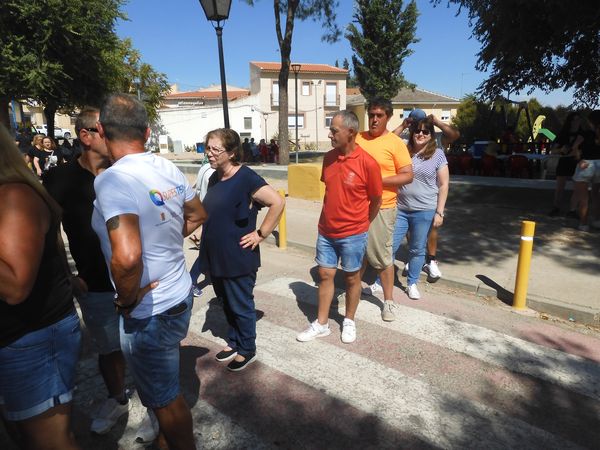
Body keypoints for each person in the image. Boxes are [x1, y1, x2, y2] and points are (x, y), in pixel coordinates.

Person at [92, 94, 207, 450]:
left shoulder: (113, 180)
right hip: (178, 293)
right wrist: (166, 241)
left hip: (148, 310)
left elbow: (127, 258)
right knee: (163, 392)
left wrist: (126, 301)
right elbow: (198, 214)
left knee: (164, 400)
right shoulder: (167, 168)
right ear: (146, 131)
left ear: (101, 130)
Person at [43, 107, 156, 439]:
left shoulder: (127, 172)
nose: (114, 135)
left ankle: (156, 407)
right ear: (87, 136)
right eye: (106, 129)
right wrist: (67, 274)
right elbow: (48, 232)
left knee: (144, 349)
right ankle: (117, 399)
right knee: (109, 350)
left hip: (138, 281)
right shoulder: (59, 179)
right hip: (94, 283)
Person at [0, 123, 81, 450]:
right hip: (18, 337)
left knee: (49, 442)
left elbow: (15, 287)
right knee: (23, 435)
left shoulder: (14, 196)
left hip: (30, 336)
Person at [199, 128, 284, 371]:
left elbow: (277, 202)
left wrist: (261, 234)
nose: (210, 153)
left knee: (240, 304)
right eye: (208, 148)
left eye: (216, 149)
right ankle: (235, 341)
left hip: (238, 256)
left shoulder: (246, 178)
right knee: (226, 302)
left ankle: (247, 349)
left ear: (232, 153)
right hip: (217, 255)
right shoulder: (214, 177)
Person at [296, 110, 382, 343]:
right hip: (326, 231)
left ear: (350, 132)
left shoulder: (368, 163)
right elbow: (332, 191)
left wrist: (364, 223)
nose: (330, 134)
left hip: (354, 233)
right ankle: (322, 323)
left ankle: (349, 320)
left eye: (334, 130)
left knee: (352, 278)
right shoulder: (329, 158)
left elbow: (376, 199)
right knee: (325, 275)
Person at [356, 98, 413, 322]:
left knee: (382, 256)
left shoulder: (395, 143)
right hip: (356, 206)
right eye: (371, 115)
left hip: (383, 207)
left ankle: (388, 301)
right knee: (356, 253)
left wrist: (378, 181)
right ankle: (352, 292)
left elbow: (407, 175)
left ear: (388, 117)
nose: (374, 119)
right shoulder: (358, 138)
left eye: (379, 115)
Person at [393, 110, 459, 281]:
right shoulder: (406, 142)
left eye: (424, 130)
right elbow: (389, 140)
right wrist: (403, 125)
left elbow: (454, 135)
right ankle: (415, 259)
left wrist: (437, 122)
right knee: (411, 234)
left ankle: (431, 260)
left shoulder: (437, 140)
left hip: (427, 201)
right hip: (405, 204)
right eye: (416, 127)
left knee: (431, 231)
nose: (420, 133)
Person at [189, 153, 216, 297]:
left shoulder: (204, 167)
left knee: (211, 251)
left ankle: (211, 274)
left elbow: (197, 188)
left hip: (205, 209)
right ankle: (191, 281)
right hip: (213, 214)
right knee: (208, 252)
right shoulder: (215, 172)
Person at [548, 112, 585, 217]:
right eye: (574, 120)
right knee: (560, 187)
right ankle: (556, 207)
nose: (576, 122)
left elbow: (585, 150)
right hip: (564, 161)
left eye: (578, 119)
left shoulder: (583, 135)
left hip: (577, 162)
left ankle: (572, 210)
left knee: (577, 188)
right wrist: (561, 150)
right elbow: (553, 150)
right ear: (570, 121)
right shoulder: (563, 133)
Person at [572, 110, 600, 231]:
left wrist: (578, 160)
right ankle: (597, 220)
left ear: (590, 121)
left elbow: (575, 148)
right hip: (599, 165)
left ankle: (583, 223)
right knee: (596, 195)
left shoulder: (584, 134)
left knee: (583, 197)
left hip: (586, 164)